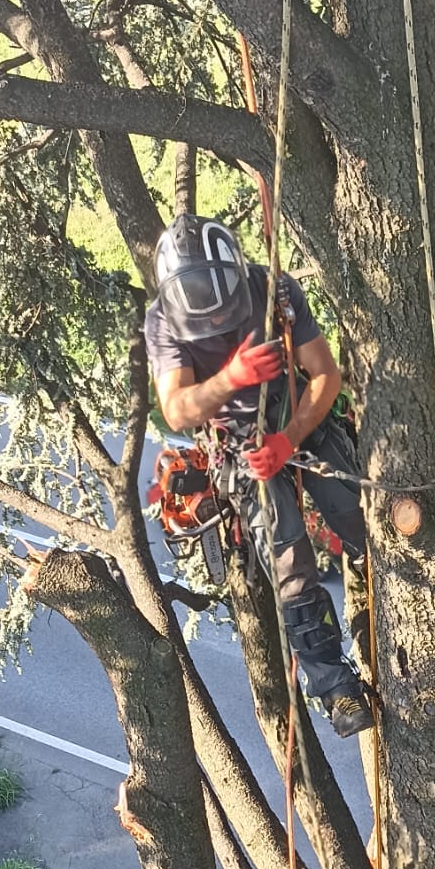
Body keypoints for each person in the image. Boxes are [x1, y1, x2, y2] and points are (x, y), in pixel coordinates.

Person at [145, 215, 372, 739]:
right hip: (239, 445)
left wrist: (289, 439)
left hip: (299, 420)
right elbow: (177, 410)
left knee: (359, 516)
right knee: (289, 560)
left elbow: (326, 376)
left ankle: (395, 597)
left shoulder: (275, 293)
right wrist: (234, 378)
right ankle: (336, 689)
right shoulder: (164, 322)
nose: (221, 328)